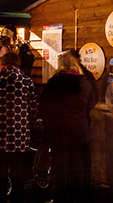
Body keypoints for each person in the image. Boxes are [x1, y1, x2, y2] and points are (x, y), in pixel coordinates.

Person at [38, 52, 94, 203]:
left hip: (59, 130)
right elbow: (91, 102)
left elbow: (44, 105)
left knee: (59, 166)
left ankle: (59, 197)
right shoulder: (84, 82)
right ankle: (78, 197)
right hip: (79, 130)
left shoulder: (55, 82)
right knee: (77, 164)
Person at [0, 51, 37, 203]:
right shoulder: (26, 80)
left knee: (1, 165)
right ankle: (17, 196)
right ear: (17, 63)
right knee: (17, 166)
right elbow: (33, 106)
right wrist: (27, 123)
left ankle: (1, 195)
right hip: (19, 130)